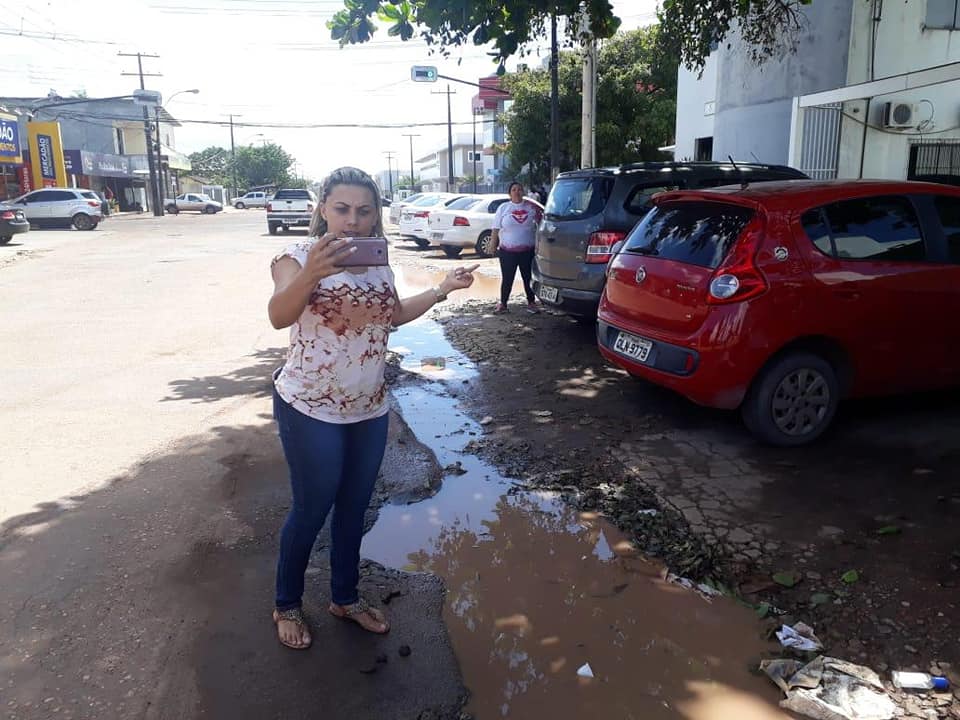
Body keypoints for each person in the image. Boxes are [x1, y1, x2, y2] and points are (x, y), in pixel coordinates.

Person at [268, 166, 478, 650]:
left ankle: (344, 596)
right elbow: (279, 315)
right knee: (312, 506)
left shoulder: (378, 262)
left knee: (354, 507)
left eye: (364, 211)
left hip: (369, 407)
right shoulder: (295, 256)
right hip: (310, 407)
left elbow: (394, 315)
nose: (352, 221)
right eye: (341, 209)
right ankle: (287, 602)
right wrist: (316, 272)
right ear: (323, 209)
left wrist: (443, 287)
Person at [491, 181, 543, 314]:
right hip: (507, 252)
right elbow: (496, 228)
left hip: (527, 251)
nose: (517, 192)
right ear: (509, 193)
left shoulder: (531, 208)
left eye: (519, 189)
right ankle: (503, 303)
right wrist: (493, 245)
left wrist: (540, 245)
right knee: (507, 278)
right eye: (514, 189)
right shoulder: (503, 208)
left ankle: (531, 302)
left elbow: (541, 225)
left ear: (523, 192)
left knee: (528, 278)